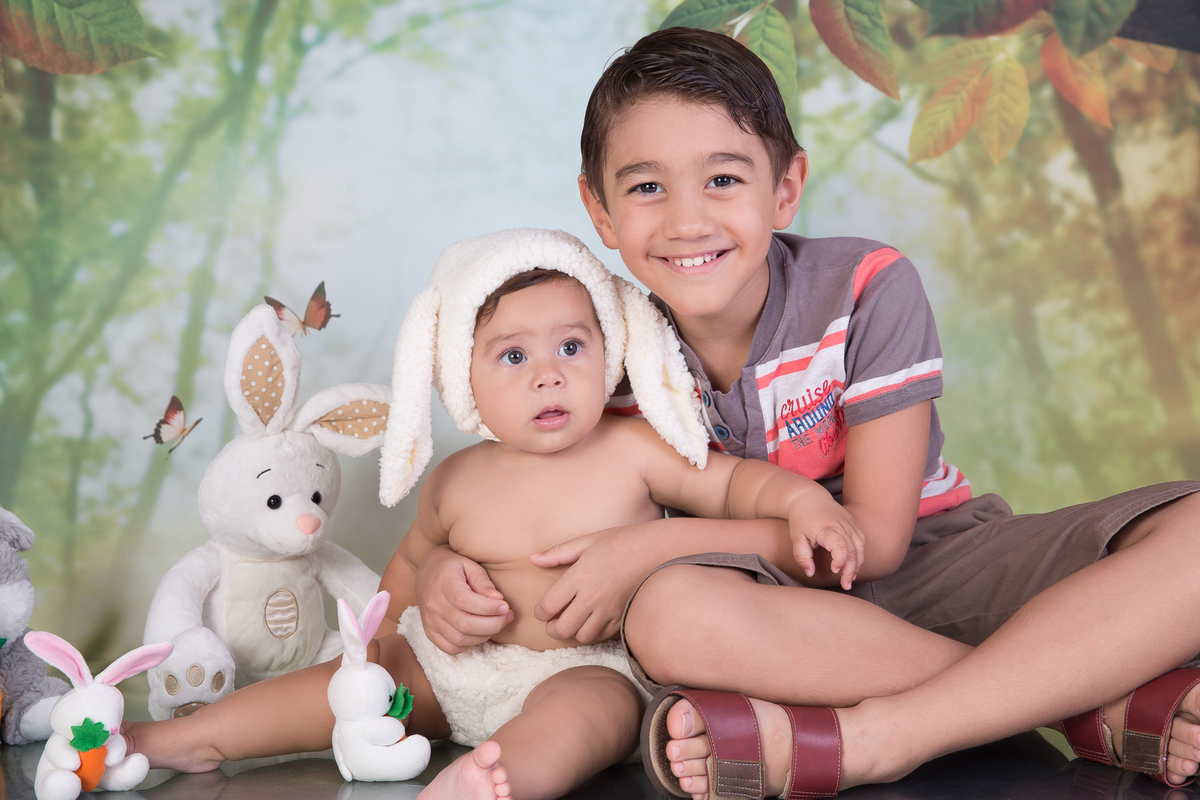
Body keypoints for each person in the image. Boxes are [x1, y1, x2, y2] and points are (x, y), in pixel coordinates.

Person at [413, 26, 1200, 799]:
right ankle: (1075, 699)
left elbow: (876, 543)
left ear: (786, 187)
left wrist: (644, 548)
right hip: (761, 613)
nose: (687, 221)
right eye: (647, 187)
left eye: (724, 179)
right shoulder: (593, 349)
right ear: (601, 209)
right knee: (668, 616)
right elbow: (516, 504)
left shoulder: (866, 287)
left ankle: (882, 735)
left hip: (936, 562)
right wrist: (445, 573)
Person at [123, 227, 869, 800]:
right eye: (514, 357)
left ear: (609, 353)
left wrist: (803, 501)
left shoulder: (636, 450)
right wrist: (383, 641)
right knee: (353, 681)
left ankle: (492, 779)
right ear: (464, 379)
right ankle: (190, 737)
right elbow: (408, 569)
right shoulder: (456, 479)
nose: (549, 375)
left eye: (571, 346)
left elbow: (738, 487)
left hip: (589, 665)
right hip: (445, 668)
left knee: (585, 717)